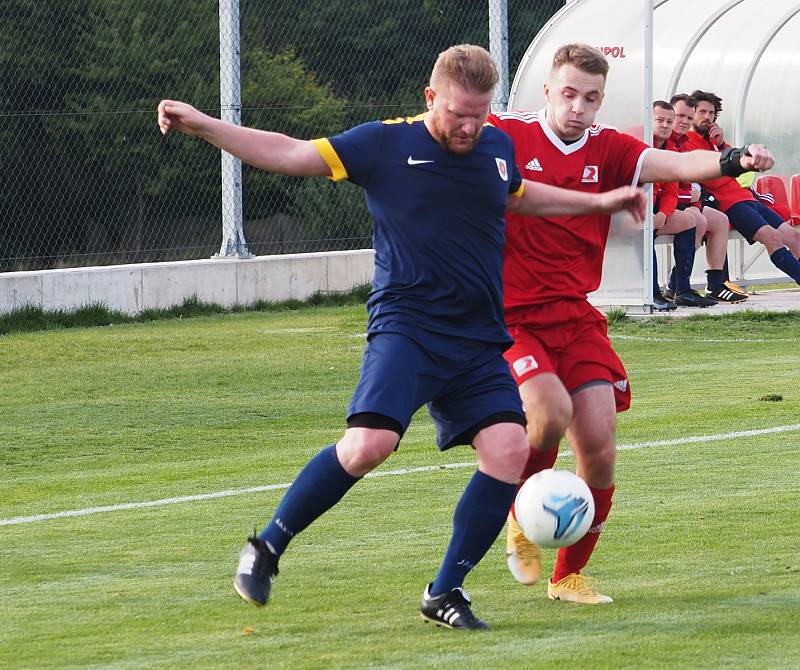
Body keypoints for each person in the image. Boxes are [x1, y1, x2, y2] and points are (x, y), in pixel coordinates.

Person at [157, 44, 646, 630]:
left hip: (477, 338)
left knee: (509, 450)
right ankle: (266, 546)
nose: (470, 126)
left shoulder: (494, 145)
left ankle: (446, 592)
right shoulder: (384, 143)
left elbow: (520, 194)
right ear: (430, 97)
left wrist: (598, 202)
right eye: (459, 113)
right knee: (369, 446)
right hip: (408, 329)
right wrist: (206, 126)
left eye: (481, 113)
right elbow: (287, 153)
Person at [488, 43, 774, 605]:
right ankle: (522, 518)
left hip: (575, 312)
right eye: (568, 94)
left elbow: (680, 164)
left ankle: (567, 575)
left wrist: (737, 157)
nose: (578, 107)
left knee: (599, 447)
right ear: (547, 90)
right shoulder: (505, 133)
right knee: (547, 413)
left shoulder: (611, 147)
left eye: (590, 98)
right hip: (511, 315)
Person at [686, 90, 800, 283]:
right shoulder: (687, 142)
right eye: (702, 112)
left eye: (711, 113)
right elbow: (710, 174)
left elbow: (737, 165)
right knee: (771, 236)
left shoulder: (715, 141)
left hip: (747, 198)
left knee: (794, 236)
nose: (707, 117)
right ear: (692, 113)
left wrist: (721, 143)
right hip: (729, 205)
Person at [666, 94, 747, 303]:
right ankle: (678, 288)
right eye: (679, 116)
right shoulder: (663, 140)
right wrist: (690, 200)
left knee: (720, 220)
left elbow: (696, 179)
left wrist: (694, 200)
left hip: (686, 202)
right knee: (696, 221)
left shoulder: (684, 141)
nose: (684, 121)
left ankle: (715, 286)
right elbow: (665, 183)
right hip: (668, 206)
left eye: (688, 117)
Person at [651, 101, 716, 308]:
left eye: (668, 121)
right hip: (632, 210)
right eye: (659, 120)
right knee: (645, 231)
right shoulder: (643, 145)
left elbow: (671, 189)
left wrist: (662, 214)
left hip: (657, 209)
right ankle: (652, 293)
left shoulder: (671, 148)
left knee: (690, 221)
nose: (665, 125)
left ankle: (683, 290)